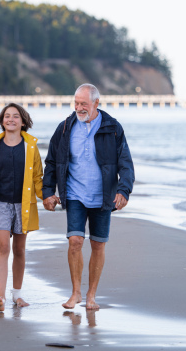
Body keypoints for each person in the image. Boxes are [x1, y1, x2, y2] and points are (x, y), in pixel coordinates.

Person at [42, 83, 135, 310]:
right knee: (75, 241)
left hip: (103, 195)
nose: (79, 107)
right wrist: (47, 192)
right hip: (74, 194)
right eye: (76, 103)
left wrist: (123, 190)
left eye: (83, 103)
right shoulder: (65, 127)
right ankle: (75, 294)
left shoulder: (113, 127)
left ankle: (91, 295)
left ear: (96, 103)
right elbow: (52, 161)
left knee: (98, 245)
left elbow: (125, 162)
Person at [0, 103, 43, 311]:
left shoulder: (31, 146)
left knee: (19, 249)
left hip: (23, 204)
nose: (11, 119)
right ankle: (0, 297)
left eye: (16, 116)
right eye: (7, 116)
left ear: (23, 122)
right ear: (2, 121)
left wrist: (47, 197)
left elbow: (37, 178)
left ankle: (17, 295)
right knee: (4, 246)